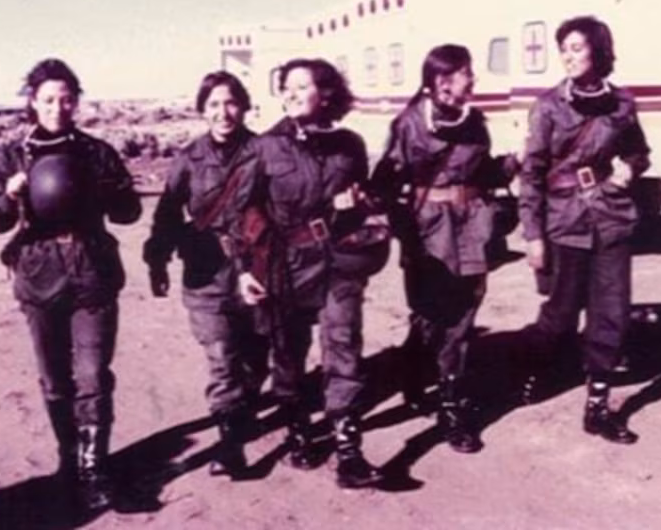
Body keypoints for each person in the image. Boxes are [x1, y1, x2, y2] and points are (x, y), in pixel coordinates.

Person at [0, 58, 142, 512]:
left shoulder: (97, 152)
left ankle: (94, 468)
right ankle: (67, 461)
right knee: (55, 378)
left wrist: (111, 189)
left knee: (92, 374)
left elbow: (129, 212)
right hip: (39, 274)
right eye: (49, 99)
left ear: (76, 101)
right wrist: (10, 194)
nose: (58, 107)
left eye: (67, 99)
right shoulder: (13, 155)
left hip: (92, 271)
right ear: (33, 102)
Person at [230, 58, 384, 490]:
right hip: (287, 263)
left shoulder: (349, 144)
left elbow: (367, 198)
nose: (292, 94)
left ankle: (348, 448)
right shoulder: (264, 147)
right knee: (289, 351)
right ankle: (298, 428)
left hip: (340, 258)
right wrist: (244, 269)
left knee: (343, 343)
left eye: (303, 86)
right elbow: (242, 213)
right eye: (287, 87)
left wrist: (359, 202)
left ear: (326, 93)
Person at [370, 44, 519, 454]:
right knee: (430, 315)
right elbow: (384, 182)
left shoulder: (476, 123)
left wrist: (512, 164)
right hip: (428, 231)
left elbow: (485, 174)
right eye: (466, 72)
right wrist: (402, 229)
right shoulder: (409, 125)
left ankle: (452, 408)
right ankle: (413, 370)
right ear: (442, 80)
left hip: (471, 228)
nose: (473, 79)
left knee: (462, 319)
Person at [518, 15, 651, 445]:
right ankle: (538, 367)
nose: (569, 57)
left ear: (598, 50)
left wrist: (630, 169)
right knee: (560, 313)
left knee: (611, 312)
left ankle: (598, 406)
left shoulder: (622, 103)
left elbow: (639, 151)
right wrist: (533, 235)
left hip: (611, 217)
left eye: (577, 48)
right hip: (564, 221)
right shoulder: (548, 107)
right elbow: (531, 173)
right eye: (564, 49)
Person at [142, 71, 269, 480]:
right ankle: (231, 446)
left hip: (258, 267)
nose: (223, 112)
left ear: (244, 106)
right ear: (202, 110)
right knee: (222, 357)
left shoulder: (265, 152)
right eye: (213, 104)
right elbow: (167, 212)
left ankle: (242, 410)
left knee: (256, 357)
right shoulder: (189, 158)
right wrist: (157, 259)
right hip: (206, 271)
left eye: (230, 102)